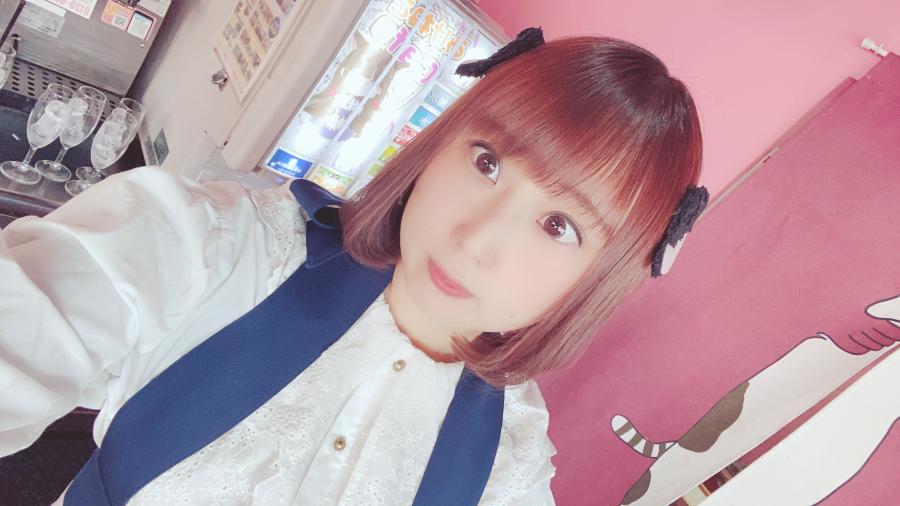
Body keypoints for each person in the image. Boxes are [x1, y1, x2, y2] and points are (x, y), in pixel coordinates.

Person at [0, 29, 706, 505]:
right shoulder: (227, 246)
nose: (474, 239)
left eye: (558, 226)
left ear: (600, 278)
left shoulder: (508, 462)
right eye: (487, 162)